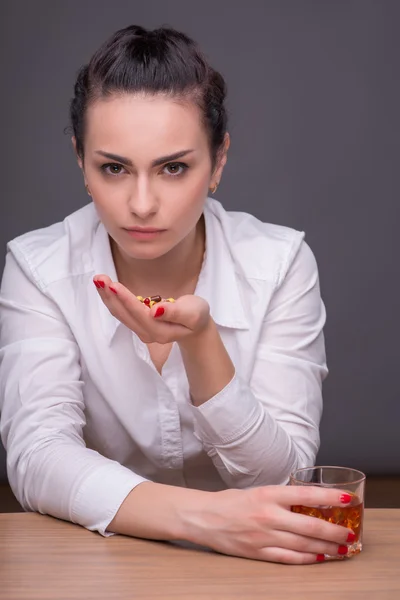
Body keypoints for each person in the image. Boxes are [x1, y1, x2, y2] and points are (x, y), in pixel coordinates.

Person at [0, 24, 354, 564]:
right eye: (114, 168)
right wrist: (207, 519)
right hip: (95, 564)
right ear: (80, 160)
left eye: (173, 167)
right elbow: (38, 458)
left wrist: (202, 342)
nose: (142, 204)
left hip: (255, 570)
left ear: (219, 162)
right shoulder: (39, 268)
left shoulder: (279, 264)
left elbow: (283, 475)